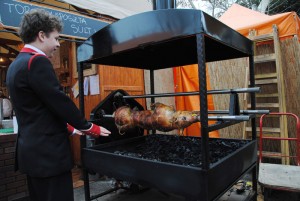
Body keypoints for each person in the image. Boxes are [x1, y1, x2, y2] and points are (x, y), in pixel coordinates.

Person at [6, 9, 111, 201]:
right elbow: (59, 101)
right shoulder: (37, 62)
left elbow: (38, 108)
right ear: (41, 35)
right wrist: (88, 126)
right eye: (55, 38)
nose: (57, 44)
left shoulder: (15, 64)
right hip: (49, 156)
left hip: (32, 153)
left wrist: (70, 128)